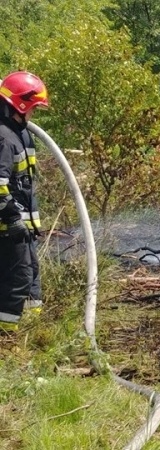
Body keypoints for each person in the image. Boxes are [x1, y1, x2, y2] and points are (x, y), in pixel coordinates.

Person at [0, 71, 48, 333]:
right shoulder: (4, 137)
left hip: (22, 227)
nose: (34, 115)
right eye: (33, 108)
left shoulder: (19, 134)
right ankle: (7, 339)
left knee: (31, 278)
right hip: (8, 228)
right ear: (20, 105)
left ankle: (34, 333)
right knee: (16, 282)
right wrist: (11, 218)